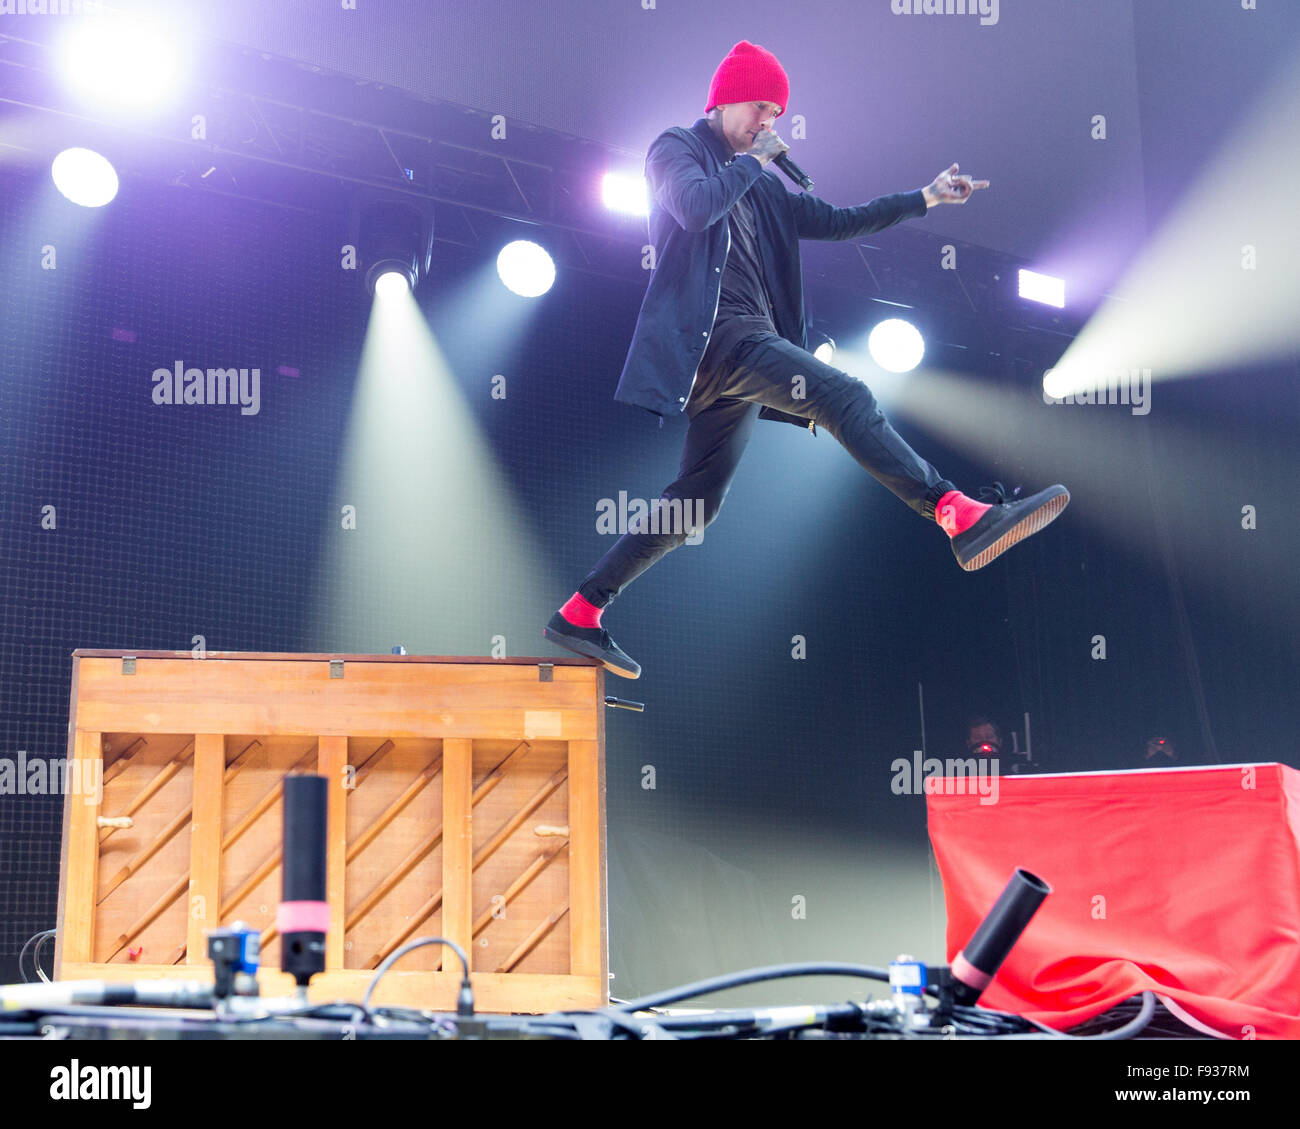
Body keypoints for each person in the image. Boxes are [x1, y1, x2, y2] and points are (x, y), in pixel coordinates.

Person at [544, 40, 1068, 679]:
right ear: (727, 95)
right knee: (846, 396)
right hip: (717, 338)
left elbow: (841, 220)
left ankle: (580, 611)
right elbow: (695, 206)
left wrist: (924, 197)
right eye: (762, 107)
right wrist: (754, 163)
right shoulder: (675, 148)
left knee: (697, 503)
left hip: (741, 349)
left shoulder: (762, 186)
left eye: (776, 114)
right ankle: (955, 511)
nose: (770, 122)